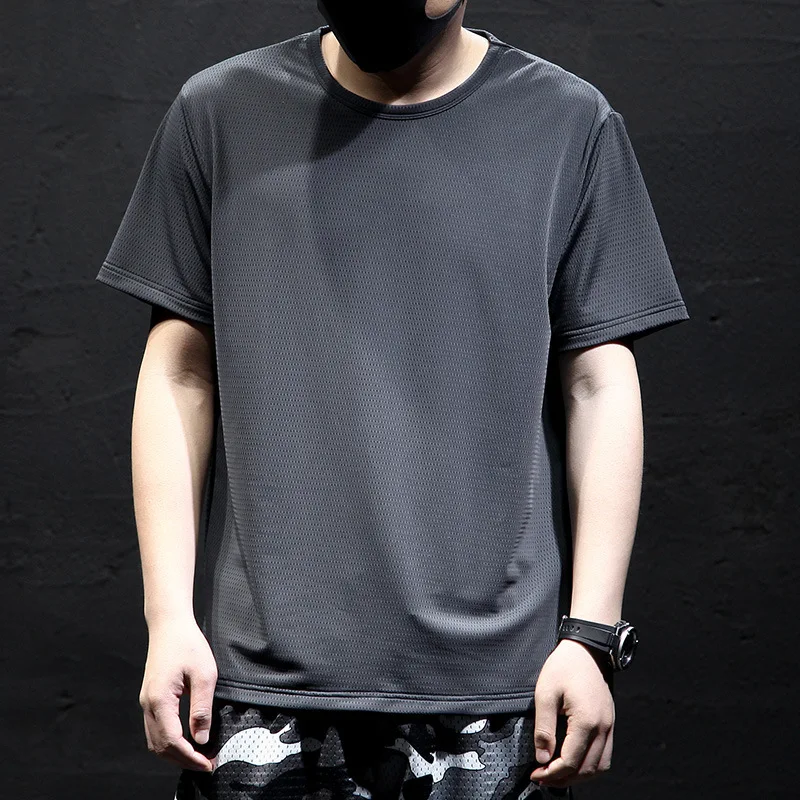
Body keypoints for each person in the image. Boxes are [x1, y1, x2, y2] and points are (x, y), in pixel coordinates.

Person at [95, 1, 690, 797]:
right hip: (260, 688)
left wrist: (590, 636)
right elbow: (179, 374)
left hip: (498, 693)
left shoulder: (567, 124)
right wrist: (168, 618)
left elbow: (600, 384)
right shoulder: (221, 113)